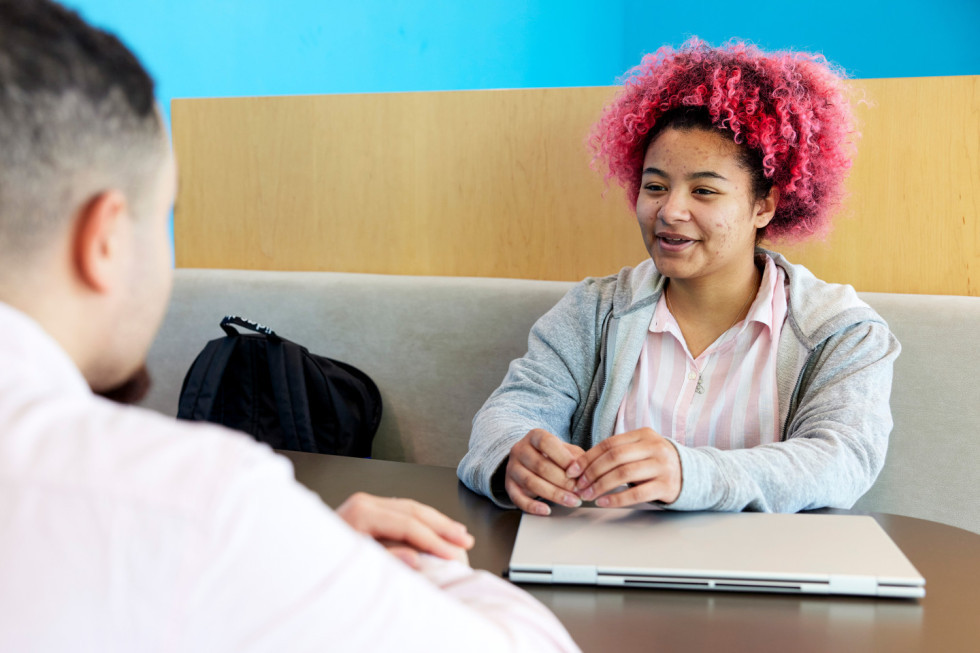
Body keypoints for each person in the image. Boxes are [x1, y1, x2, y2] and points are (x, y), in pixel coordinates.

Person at [0, 2, 579, 651]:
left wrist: (294, 558)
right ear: (104, 239)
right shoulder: (194, 506)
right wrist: (324, 559)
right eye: (164, 217)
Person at [458, 39, 900, 517]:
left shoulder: (842, 331)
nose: (670, 211)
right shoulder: (594, 310)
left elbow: (841, 459)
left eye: (704, 190)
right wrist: (513, 455)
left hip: (765, 573)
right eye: (655, 186)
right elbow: (512, 411)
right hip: (606, 562)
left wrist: (689, 473)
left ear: (764, 204)